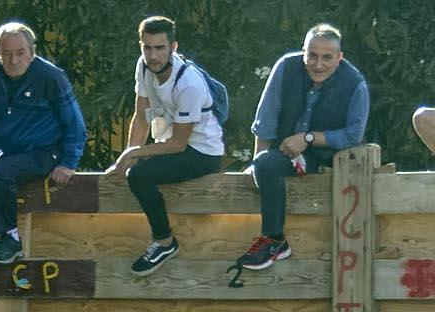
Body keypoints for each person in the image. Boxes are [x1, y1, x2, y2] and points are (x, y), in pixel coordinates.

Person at [241, 25, 369, 270]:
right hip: (286, 151)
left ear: (339, 58)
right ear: (304, 53)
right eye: (312, 55)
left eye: (327, 58)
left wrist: (309, 138)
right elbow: (266, 121)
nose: (318, 64)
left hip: (327, 158)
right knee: (265, 164)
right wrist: (257, 164)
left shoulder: (355, 84)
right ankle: (275, 240)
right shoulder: (286, 67)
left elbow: (353, 135)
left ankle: (272, 240)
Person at [111, 16, 226, 276]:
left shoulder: (189, 83)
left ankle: (165, 242)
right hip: (174, 143)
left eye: (160, 48)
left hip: (202, 152)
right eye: (147, 47)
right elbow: (141, 116)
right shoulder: (143, 66)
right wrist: (129, 155)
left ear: (173, 47)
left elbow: (178, 144)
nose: (153, 56)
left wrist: (135, 155)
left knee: (140, 176)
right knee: (134, 169)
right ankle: (163, 240)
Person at [0, 23, 86, 265]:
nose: (13, 60)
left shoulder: (51, 77)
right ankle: (9, 236)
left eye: (20, 53)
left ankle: (10, 238)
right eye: (6, 54)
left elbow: (74, 124)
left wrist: (67, 163)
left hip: (46, 151)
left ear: (32, 52)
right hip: (11, 153)